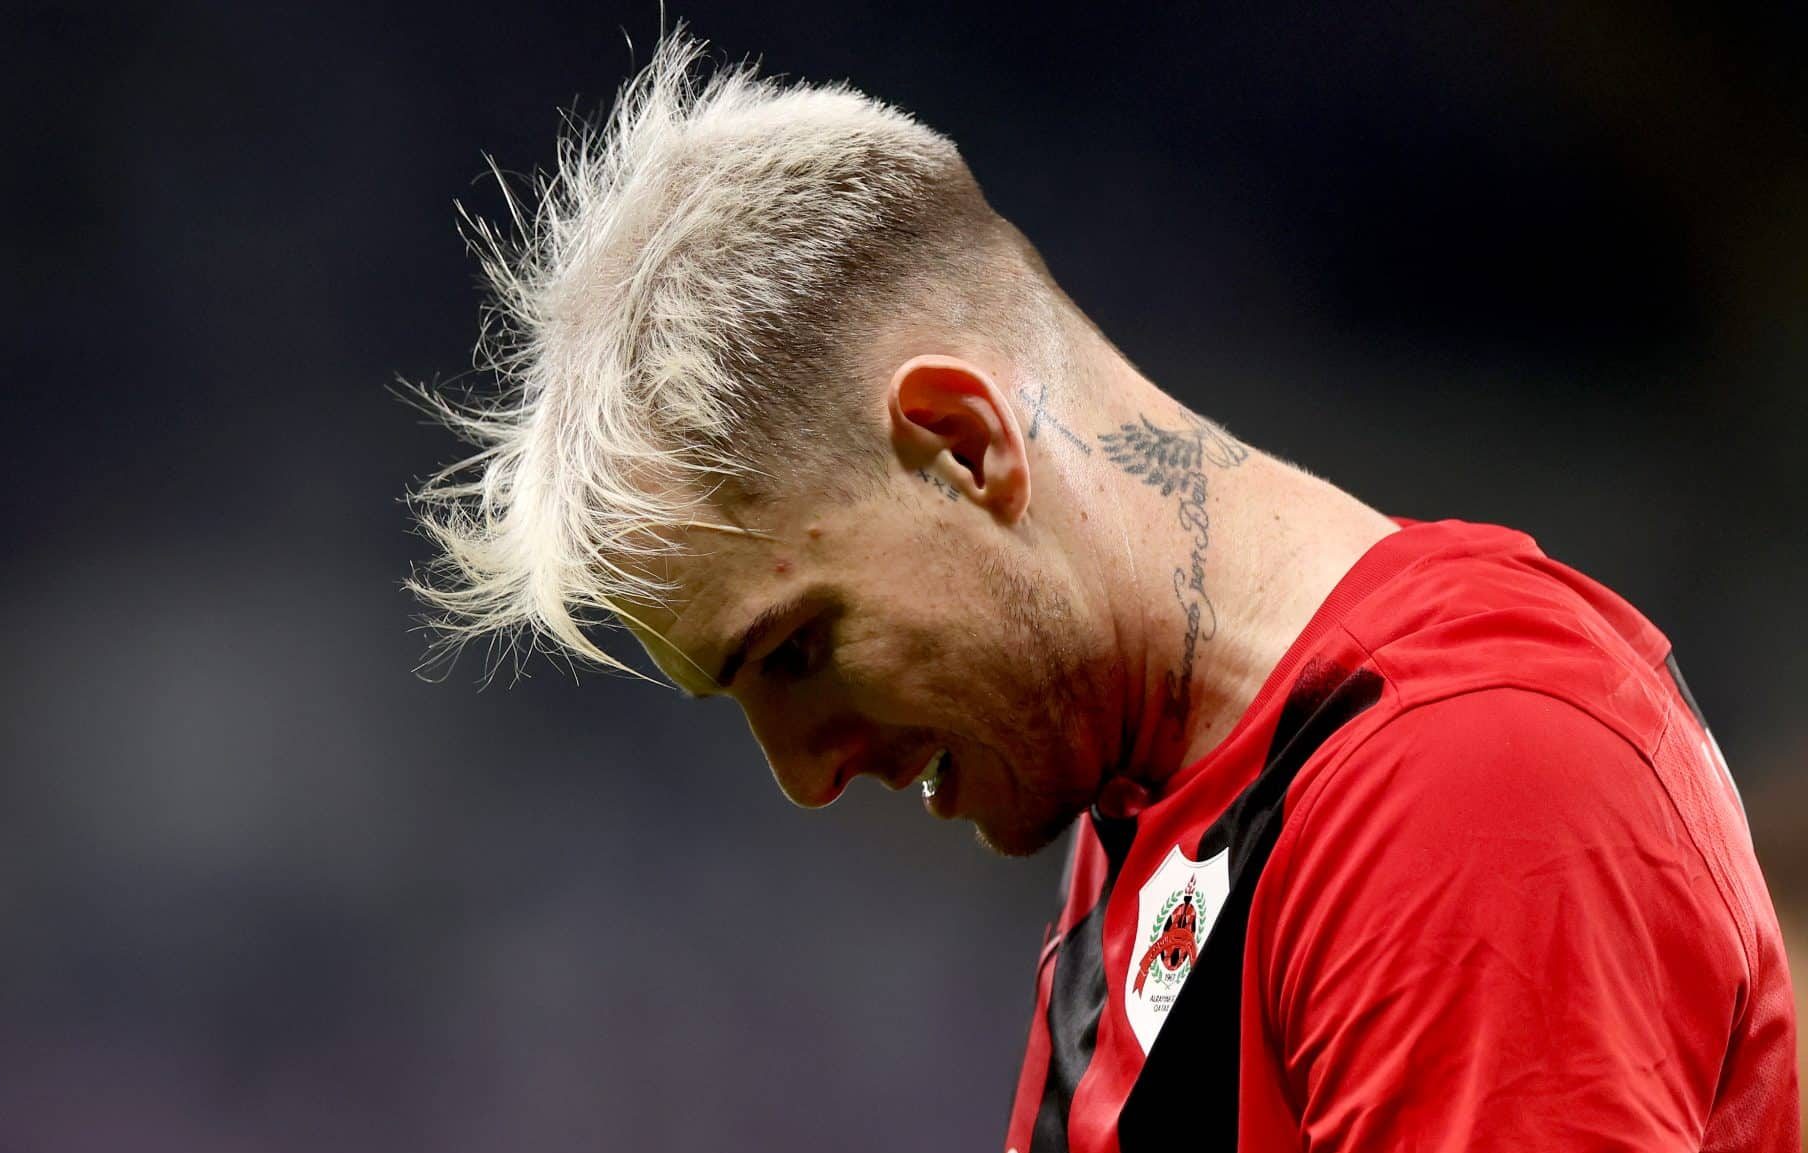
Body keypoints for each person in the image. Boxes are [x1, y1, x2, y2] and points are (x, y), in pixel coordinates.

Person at [405, 30, 1799, 1152]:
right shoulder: (1157, 804)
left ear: (965, 444)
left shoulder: (1468, 780)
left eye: (796, 651)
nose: (804, 777)